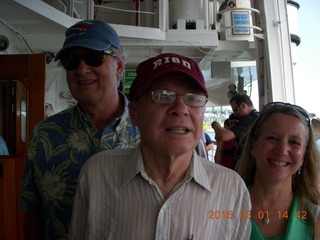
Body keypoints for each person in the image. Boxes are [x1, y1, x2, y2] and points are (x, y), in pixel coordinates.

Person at [68, 53, 251, 239]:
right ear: (135, 113)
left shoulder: (231, 188)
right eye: (163, 96)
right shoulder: (97, 175)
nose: (180, 108)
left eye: (193, 98)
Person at [18, 20, 140, 240]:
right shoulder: (45, 134)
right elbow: (33, 212)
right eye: (71, 61)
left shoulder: (150, 129)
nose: (82, 69)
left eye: (94, 57)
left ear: (120, 65)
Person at [236, 102, 320, 239]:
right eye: (272, 138)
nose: (282, 150)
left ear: (304, 157)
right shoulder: (226, 205)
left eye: (294, 142)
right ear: (253, 147)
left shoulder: (316, 217)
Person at [211, 93, 259, 162]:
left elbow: (224, 136)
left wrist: (215, 124)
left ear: (243, 106)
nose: (235, 114)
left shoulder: (250, 119)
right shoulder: (258, 116)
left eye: (235, 110)